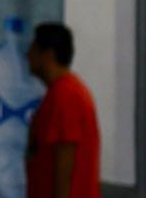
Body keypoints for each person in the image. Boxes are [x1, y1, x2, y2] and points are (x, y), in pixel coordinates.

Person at [27, 22, 100, 198]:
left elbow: (65, 160)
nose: (27, 55)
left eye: (33, 49)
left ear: (48, 55)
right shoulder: (58, 93)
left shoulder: (67, 95)